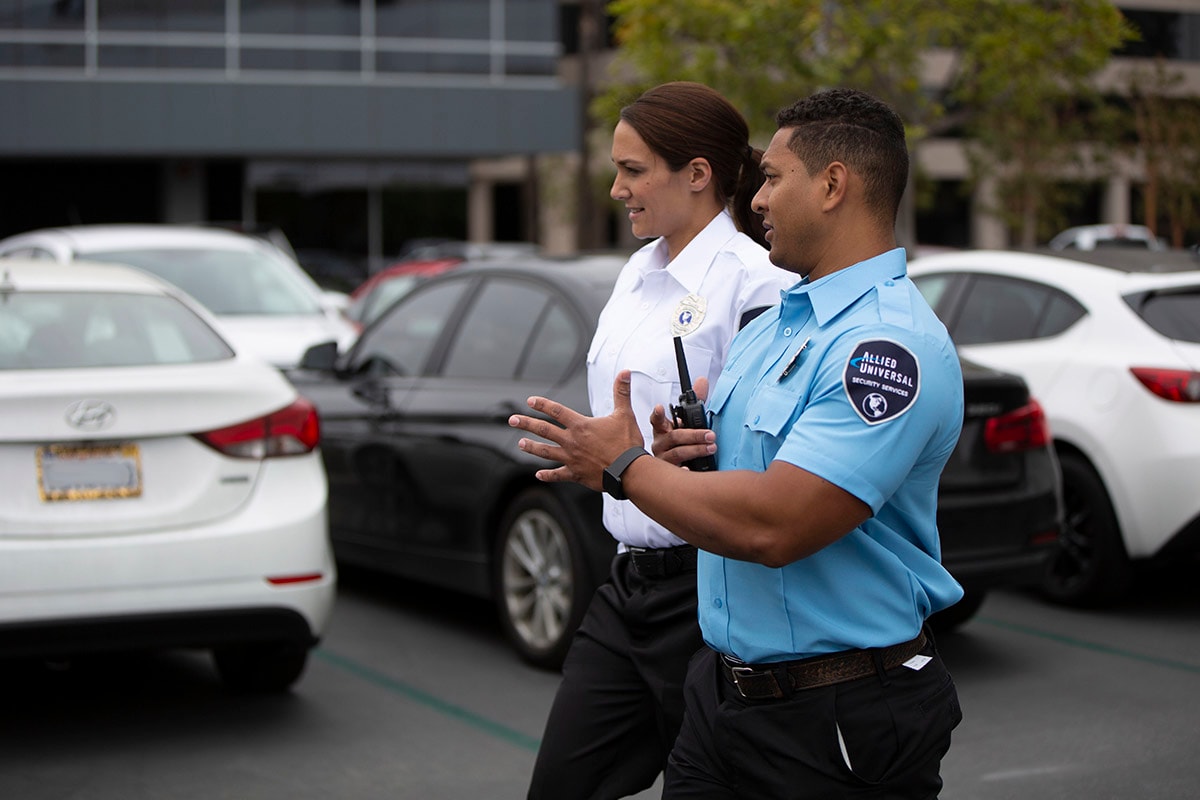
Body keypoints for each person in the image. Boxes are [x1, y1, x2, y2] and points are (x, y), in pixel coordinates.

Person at [509, 87, 966, 799]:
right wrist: (670, 460)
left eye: (774, 179)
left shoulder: (885, 347)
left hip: (833, 714)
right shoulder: (779, 325)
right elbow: (735, 475)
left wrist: (625, 468)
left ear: (833, 185)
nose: (754, 200)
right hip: (723, 695)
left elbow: (776, 523)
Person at [525, 82, 794, 800]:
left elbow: (769, 456)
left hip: (709, 596)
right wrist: (601, 458)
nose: (616, 189)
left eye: (633, 170)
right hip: (626, 587)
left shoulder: (756, 284)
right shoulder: (636, 273)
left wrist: (669, 456)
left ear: (698, 174)